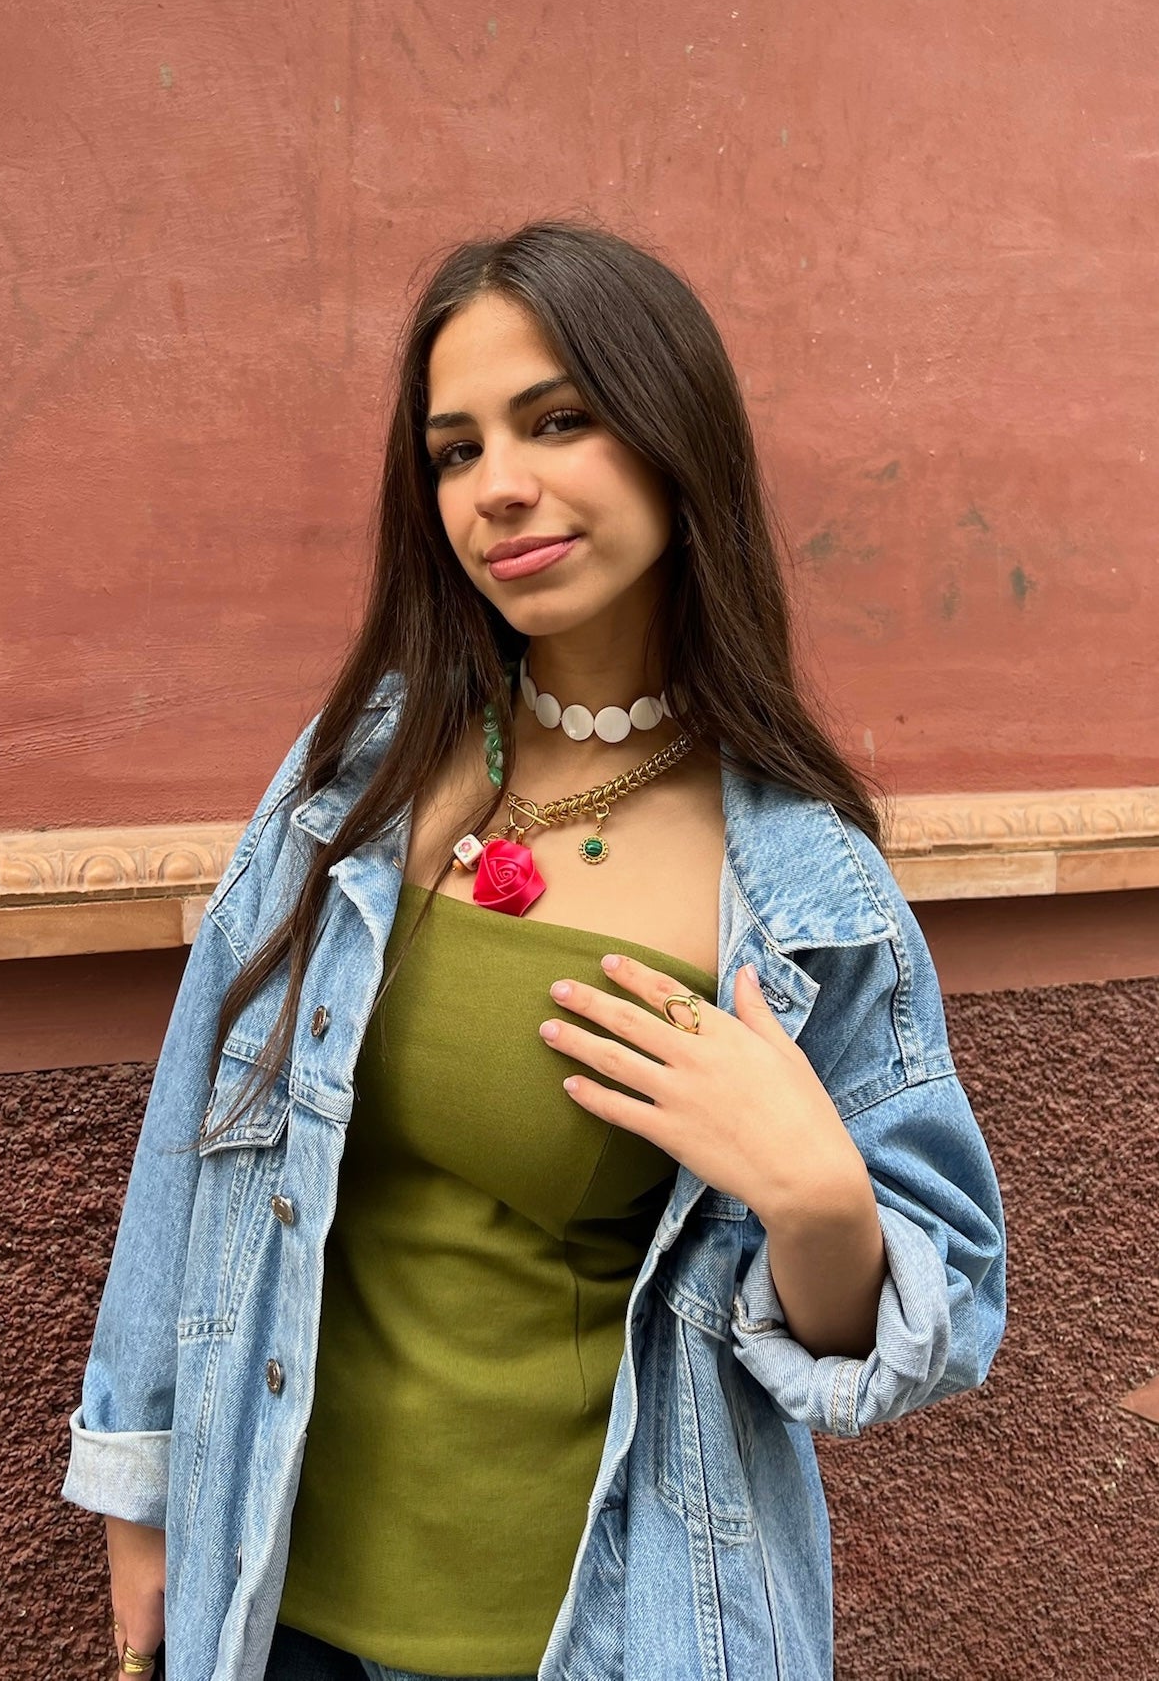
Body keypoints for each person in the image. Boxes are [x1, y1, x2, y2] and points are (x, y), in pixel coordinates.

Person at [63, 220, 1006, 1681]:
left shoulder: (804, 892)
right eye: (456, 450)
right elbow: (198, 1122)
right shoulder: (357, 774)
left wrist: (816, 1195)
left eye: (558, 421)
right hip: (267, 1598)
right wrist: (140, 1490)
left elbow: (916, 1329)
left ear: (676, 441)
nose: (497, 487)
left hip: (614, 1632)